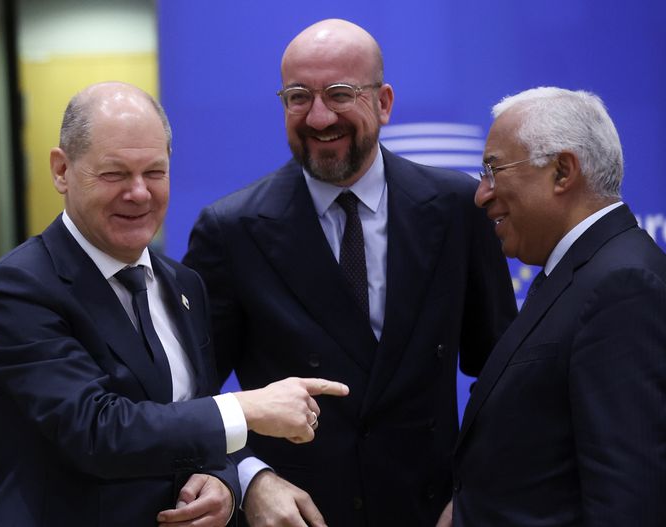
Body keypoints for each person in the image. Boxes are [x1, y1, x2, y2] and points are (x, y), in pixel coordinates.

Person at [183, 19, 517, 526]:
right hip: (301, 514)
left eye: (340, 94)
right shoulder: (231, 230)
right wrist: (248, 478)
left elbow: (503, 374)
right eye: (298, 96)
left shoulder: (456, 208)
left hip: (431, 512)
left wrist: (476, 490)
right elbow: (188, 392)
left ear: (383, 102)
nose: (318, 117)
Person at [0, 81, 349, 527]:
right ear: (61, 170)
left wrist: (222, 482)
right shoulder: (17, 289)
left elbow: (192, 422)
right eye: (114, 174)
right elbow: (96, 431)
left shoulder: (183, 284)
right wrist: (247, 409)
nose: (138, 193)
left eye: (154, 173)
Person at [443, 87, 666, 526]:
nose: (481, 195)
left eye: (493, 170)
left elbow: (629, 502)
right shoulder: (578, 274)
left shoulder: (622, 286)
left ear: (562, 171)